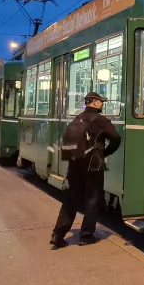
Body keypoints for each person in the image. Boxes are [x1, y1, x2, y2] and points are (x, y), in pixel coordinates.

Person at [51, 91, 121, 249]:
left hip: (75, 164)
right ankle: (86, 236)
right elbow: (116, 138)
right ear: (95, 102)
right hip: (93, 166)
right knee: (93, 200)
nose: (103, 104)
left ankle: (58, 234)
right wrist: (105, 153)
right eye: (101, 101)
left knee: (71, 200)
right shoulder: (100, 120)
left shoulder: (77, 118)